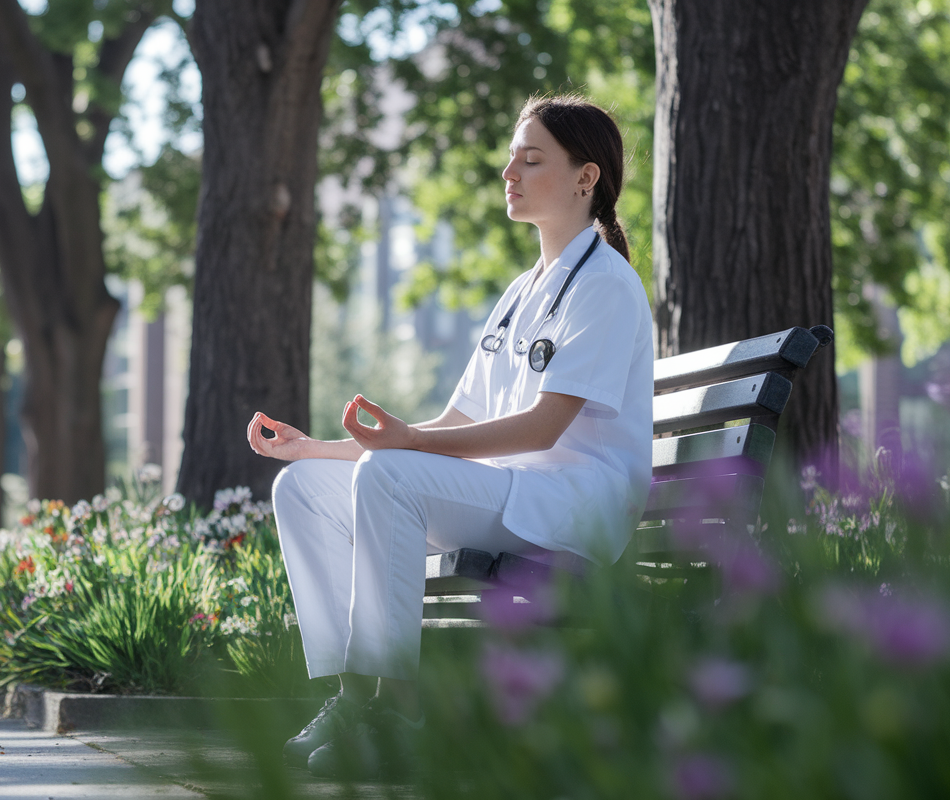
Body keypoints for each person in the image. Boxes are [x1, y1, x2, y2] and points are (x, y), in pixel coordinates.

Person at [246, 94, 654, 779]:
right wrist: (315, 448)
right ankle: (352, 697)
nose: (509, 172)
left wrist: (402, 444)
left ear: (587, 178)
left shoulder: (606, 284)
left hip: (572, 506)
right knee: (305, 490)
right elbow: (453, 427)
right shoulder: (523, 291)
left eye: (531, 158)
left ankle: (396, 711)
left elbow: (542, 425)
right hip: (507, 495)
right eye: (510, 157)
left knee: (389, 475)